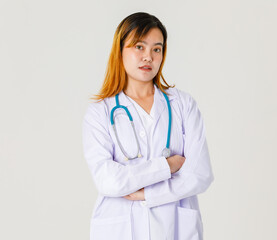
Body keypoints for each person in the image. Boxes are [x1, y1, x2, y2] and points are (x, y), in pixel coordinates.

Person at [82, 12, 214, 240]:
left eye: (157, 49)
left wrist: (147, 193)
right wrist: (167, 166)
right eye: (139, 47)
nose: (148, 57)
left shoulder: (182, 105)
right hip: (120, 229)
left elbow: (200, 174)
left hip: (175, 229)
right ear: (120, 50)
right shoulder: (100, 113)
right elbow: (109, 180)